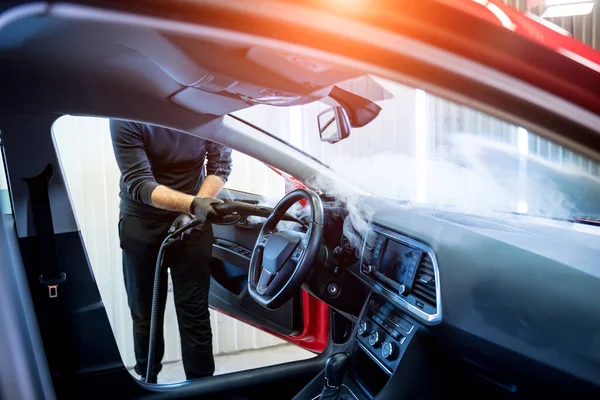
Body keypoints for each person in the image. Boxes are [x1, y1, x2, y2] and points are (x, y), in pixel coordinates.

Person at [109, 120, 232, 383]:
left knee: (195, 311)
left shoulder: (206, 108)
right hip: (142, 222)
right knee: (145, 313)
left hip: (194, 218)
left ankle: (202, 387)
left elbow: (220, 166)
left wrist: (196, 209)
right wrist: (193, 205)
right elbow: (139, 183)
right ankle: (148, 379)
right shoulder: (126, 114)